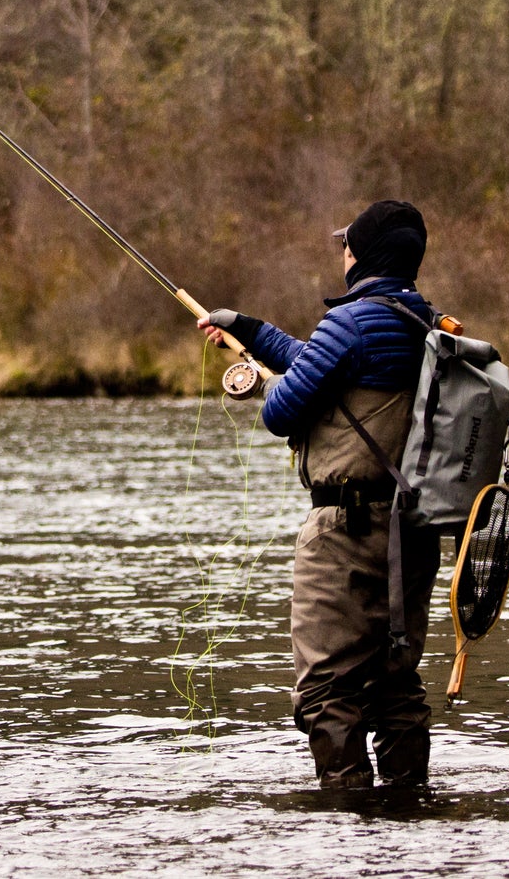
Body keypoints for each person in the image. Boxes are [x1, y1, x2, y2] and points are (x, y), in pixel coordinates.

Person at [196, 199, 440, 789]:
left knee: (327, 687)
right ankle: (410, 806)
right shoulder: (424, 322)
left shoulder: (351, 323)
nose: (344, 254)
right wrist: (247, 329)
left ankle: (346, 817)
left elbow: (281, 412)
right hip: (412, 528)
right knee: (395, 680)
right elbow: (321, 365)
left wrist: (264, 382)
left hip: (346, 532)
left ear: (365, 255)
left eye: (348, 245)